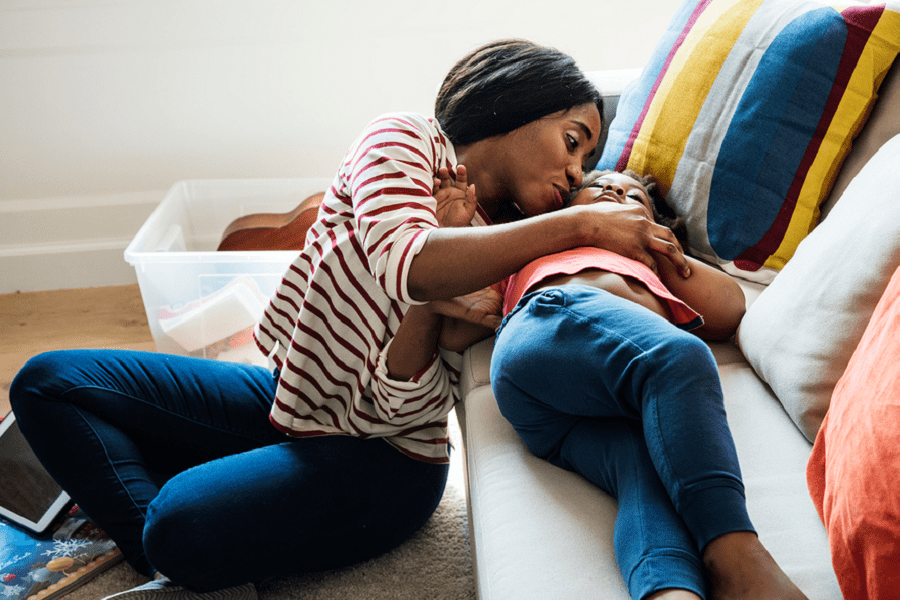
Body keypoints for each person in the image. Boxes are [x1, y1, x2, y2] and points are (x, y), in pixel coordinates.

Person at [8, 40, 690, 600]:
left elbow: (405, 398)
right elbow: (410, 259)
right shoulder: (404, 141)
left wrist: (445, 291)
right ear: (516, 105)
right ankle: (181, 572)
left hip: (385, 463)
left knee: (176, 523)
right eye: (573, 141)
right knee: (46, 381)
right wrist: (571, 224)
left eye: (586, 163)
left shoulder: (515, 246)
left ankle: (180, 554)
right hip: (291, 402)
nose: (575, 173)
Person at [483, 170, 809, 600]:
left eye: (633, 195)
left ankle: (670, 592)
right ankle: (737, 559)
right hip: (550, 323)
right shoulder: (549, 241)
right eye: (598, 188)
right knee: (682, 355)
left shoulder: (654, 264)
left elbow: (729, 309)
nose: (615, 192)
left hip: (563, 414)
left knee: (646, 471)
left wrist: (660, 248)